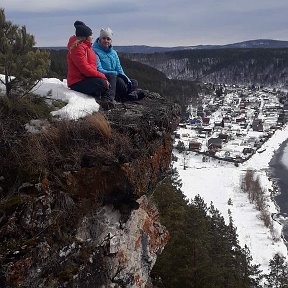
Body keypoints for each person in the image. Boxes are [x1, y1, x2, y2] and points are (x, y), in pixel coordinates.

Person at [67, 21, 114, 106]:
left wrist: (103, 77)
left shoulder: (87, 47)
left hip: (86, 78)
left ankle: (108, 98)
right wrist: (102, 76)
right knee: (102, 83)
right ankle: (105, 101)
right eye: (90, 35)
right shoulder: (77, 48)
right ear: (85, 37)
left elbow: (91, 67)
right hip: (77, 82)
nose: (92, 37)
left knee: (110, 77)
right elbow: (85, 69)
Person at [92, 27, 142, 102]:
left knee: (133, 82)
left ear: (111, 41)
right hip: (106, 78)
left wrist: (127, 79)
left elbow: (119, 68)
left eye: (108, 39)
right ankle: (129, 95)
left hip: (116, 76)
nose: (106, 41)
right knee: (121, 83)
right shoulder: (95, 51)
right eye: (104, 38)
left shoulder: (113, 53)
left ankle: (128, 95)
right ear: (100, 39)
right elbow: (99, 69)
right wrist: (114, 74)